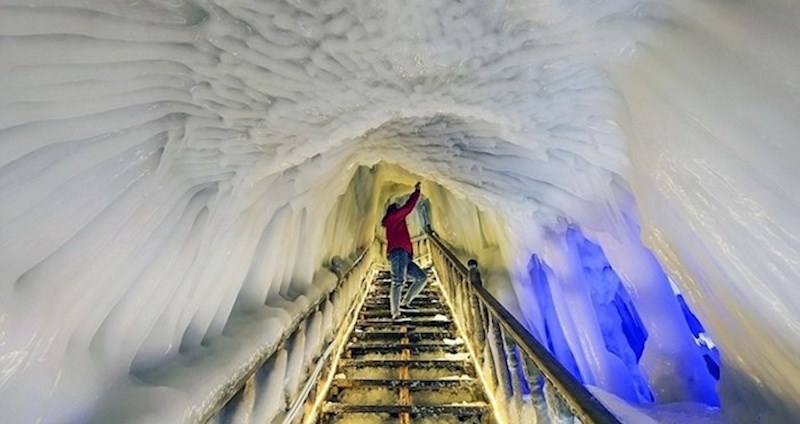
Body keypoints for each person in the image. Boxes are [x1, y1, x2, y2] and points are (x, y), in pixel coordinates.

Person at [382, 181, 427, 319]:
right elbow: (407, 208)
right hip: (398, 252)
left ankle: (405, 302)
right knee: (398, 281)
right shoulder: (393, 218)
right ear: (393, 210)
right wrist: (416, 192)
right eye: (397, 207)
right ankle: (395, 312)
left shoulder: (396, 221)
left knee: (421, 277)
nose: (400, 208)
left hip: (404, 255)